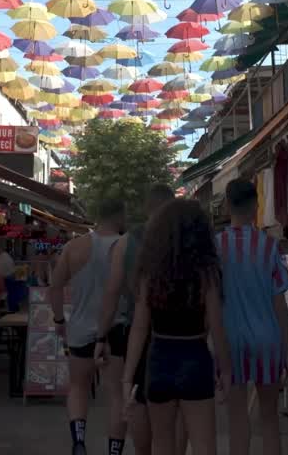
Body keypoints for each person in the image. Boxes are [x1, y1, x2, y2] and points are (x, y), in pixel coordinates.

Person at [124, 199, 230, 455]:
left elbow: (139, 328)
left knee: (162, 443)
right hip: (195, 357)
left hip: (159, 358)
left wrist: (127, 377)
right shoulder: (207, 273)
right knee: (204, 445)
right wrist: (225, 370)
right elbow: (217, 326)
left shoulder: (151, 273)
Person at [94, 185, 184, 455]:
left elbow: (111, 294)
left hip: (140, 333)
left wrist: (101, 336)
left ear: (147, 208)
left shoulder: (127, 242)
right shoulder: (189, 237)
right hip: (183, 333)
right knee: (180, 404)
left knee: (140, 399)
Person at [217, 180, 288, 455]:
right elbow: (280, 303)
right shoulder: (270, 247)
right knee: (269, 418)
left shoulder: (215, 248)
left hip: (230, 340)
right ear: (256, 206)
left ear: (227, 205)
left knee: (237, 420)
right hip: (268, 340)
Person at [50, 197, 127, 455]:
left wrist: (59, 319)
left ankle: (79, 441)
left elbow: (55, 286)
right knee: (116, 394)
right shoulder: (126, 247)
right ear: (119, 216)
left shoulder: (74, 247)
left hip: (80, 329)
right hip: (117, 328)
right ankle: (114, 451)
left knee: (78, 386)